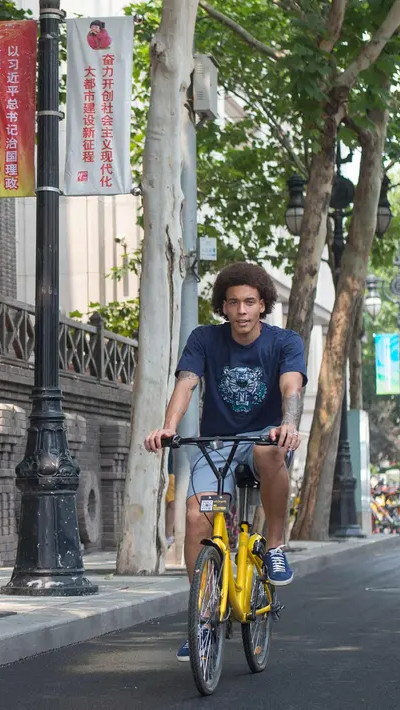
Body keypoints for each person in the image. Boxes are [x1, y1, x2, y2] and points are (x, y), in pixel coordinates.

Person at [143, 261, 306, 663]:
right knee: (196, 513)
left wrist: (287, 425)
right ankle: (201, 619)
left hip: (262, 440)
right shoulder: (204, 339)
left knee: (271, 452)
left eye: (250, 302)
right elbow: (186, 382)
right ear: (224, 307)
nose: (242, 310)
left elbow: (292, 385)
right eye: (233, 302)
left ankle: (276, 545)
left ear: (263, 304)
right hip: (216, 445)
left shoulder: (285, 342)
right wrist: (167, 427)